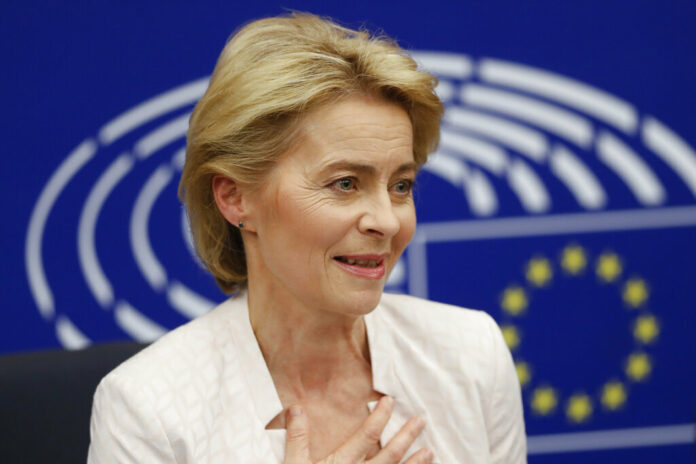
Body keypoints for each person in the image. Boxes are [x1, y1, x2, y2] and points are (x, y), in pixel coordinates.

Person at [87, 12, 526, 464]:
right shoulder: (147, 409)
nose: (387, 222)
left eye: (401, 186)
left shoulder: (470, 354)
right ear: (236, 197)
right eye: (345, 183)